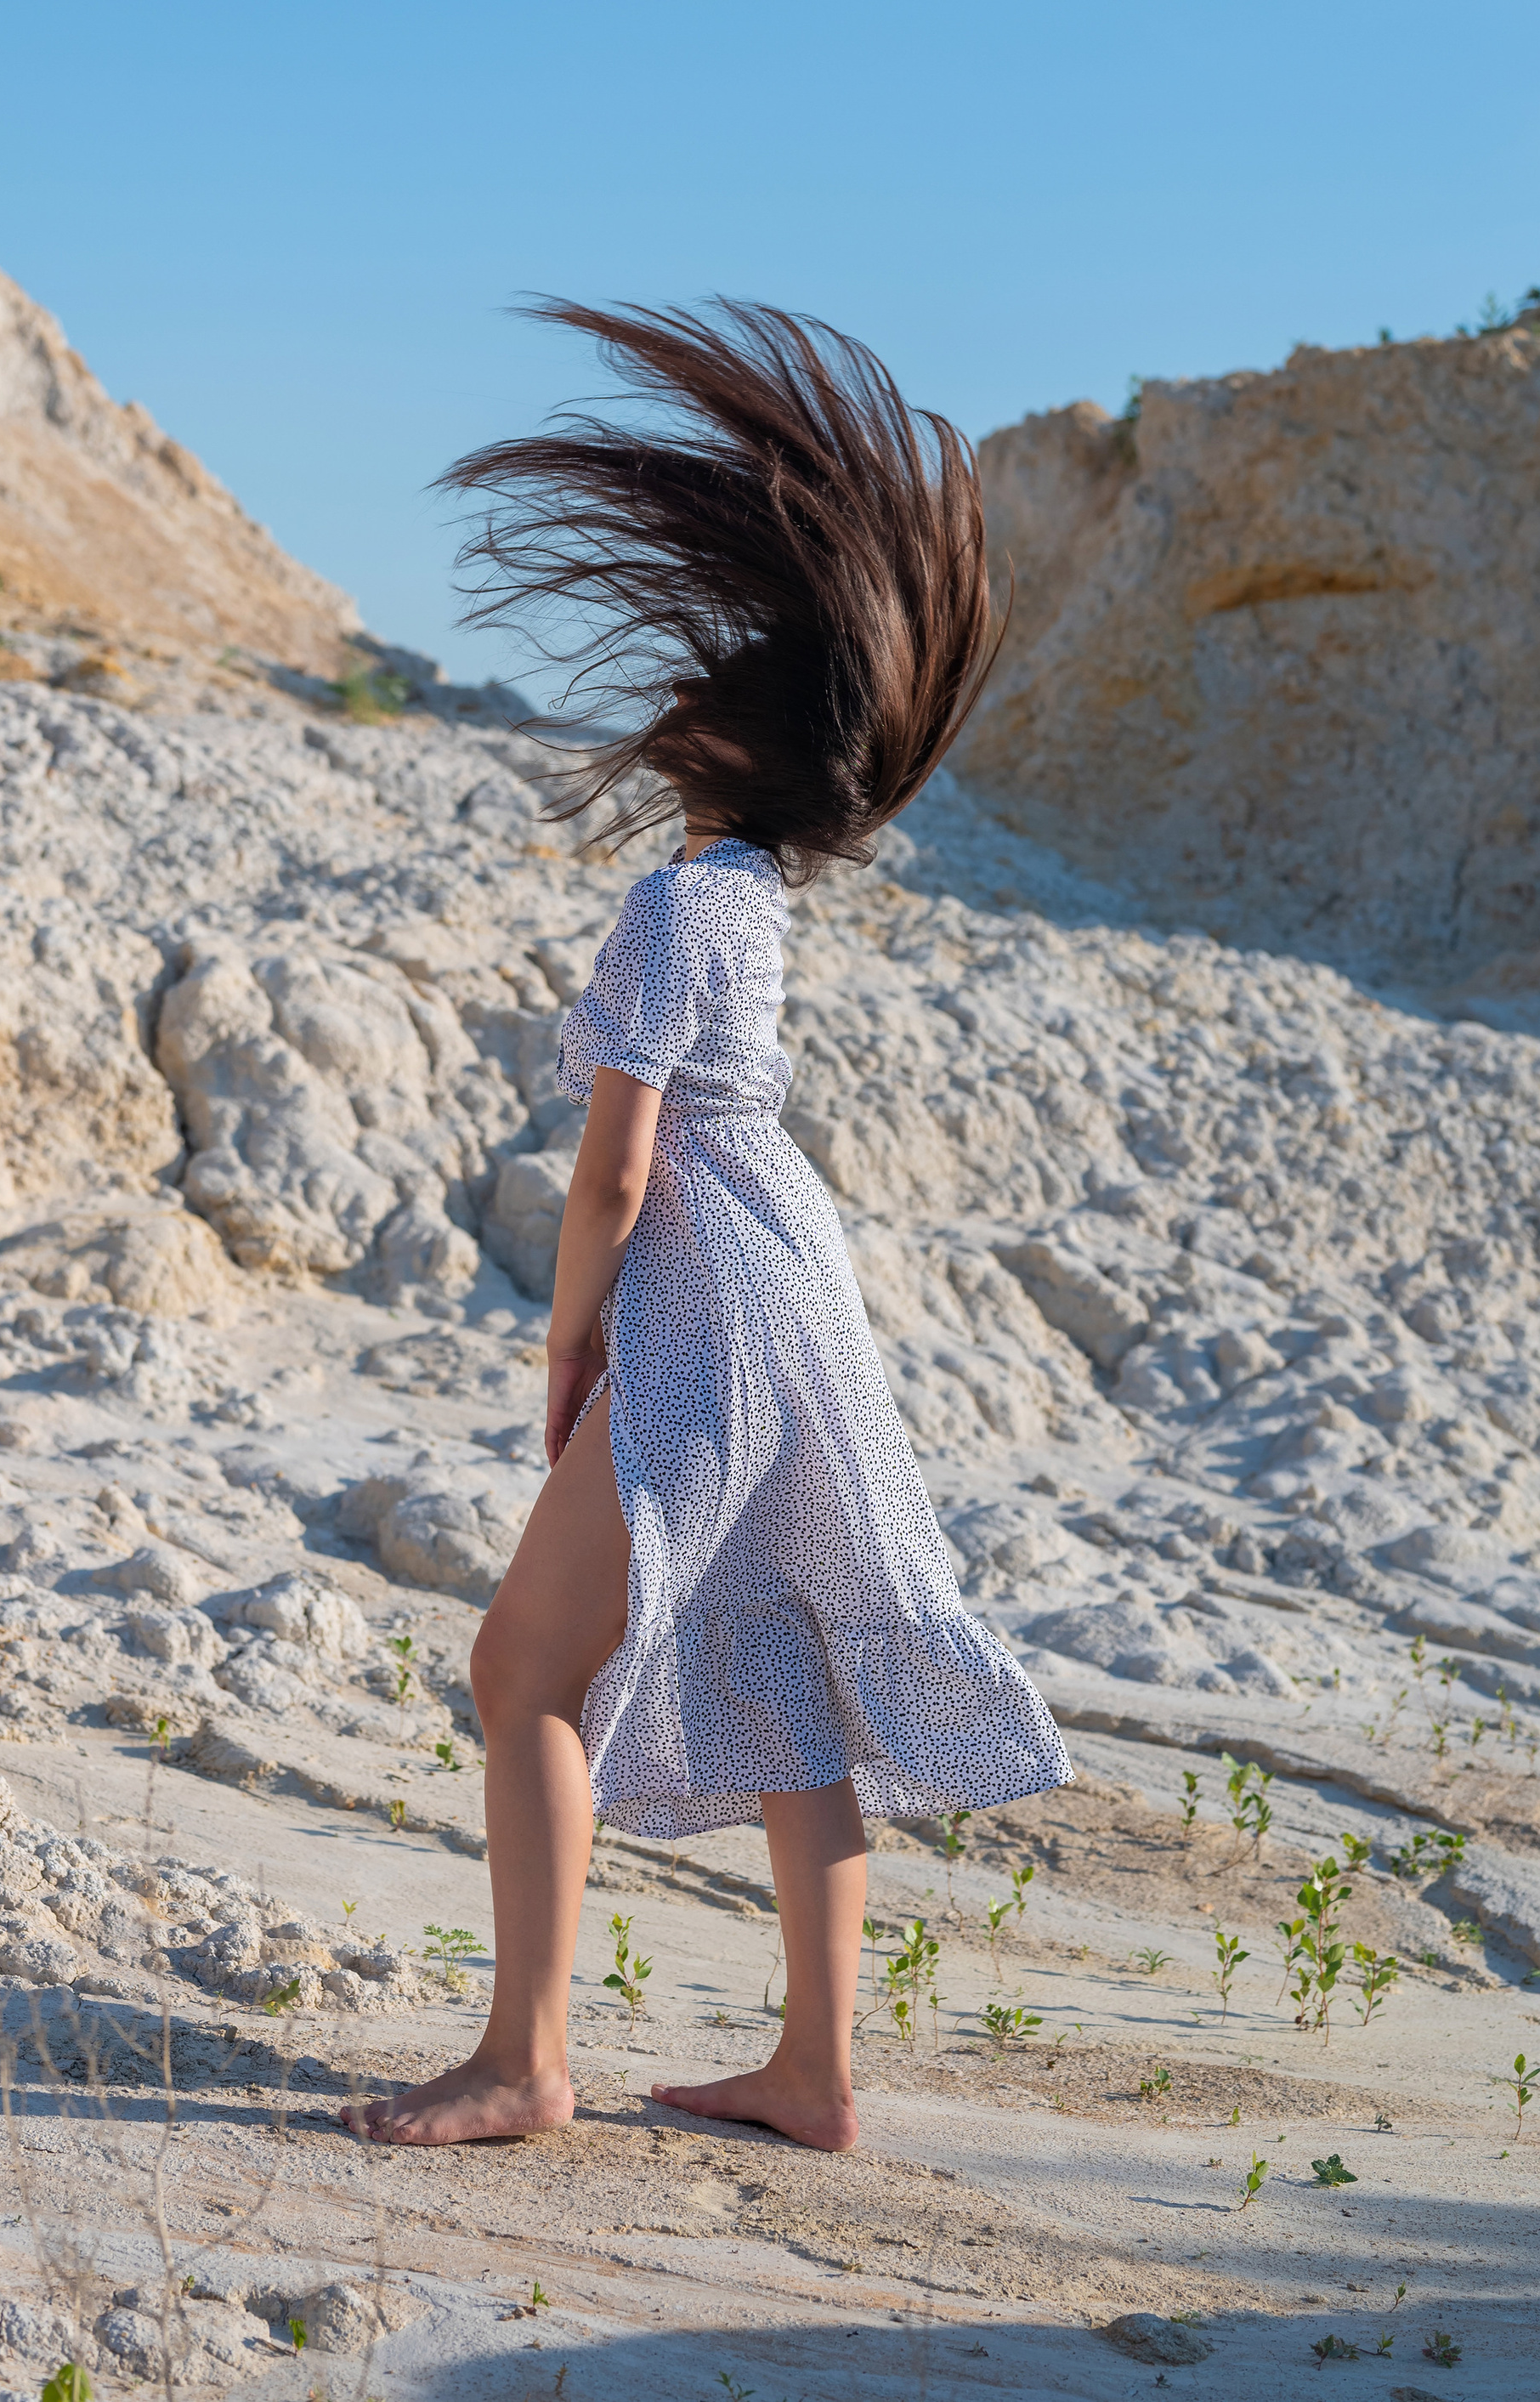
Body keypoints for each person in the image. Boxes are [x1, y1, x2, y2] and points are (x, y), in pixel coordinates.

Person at [356, 300, 1067, 2153]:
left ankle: (522, 2061)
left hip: (710, 1294)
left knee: (522, 1670)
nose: (662, 703)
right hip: (795, 1280)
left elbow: (609, 1173)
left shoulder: (680, 906)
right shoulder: (756, 900)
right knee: (769, 1654)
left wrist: (569, 1336)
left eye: (694, 691)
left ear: (722, 743)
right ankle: (814, 2073)